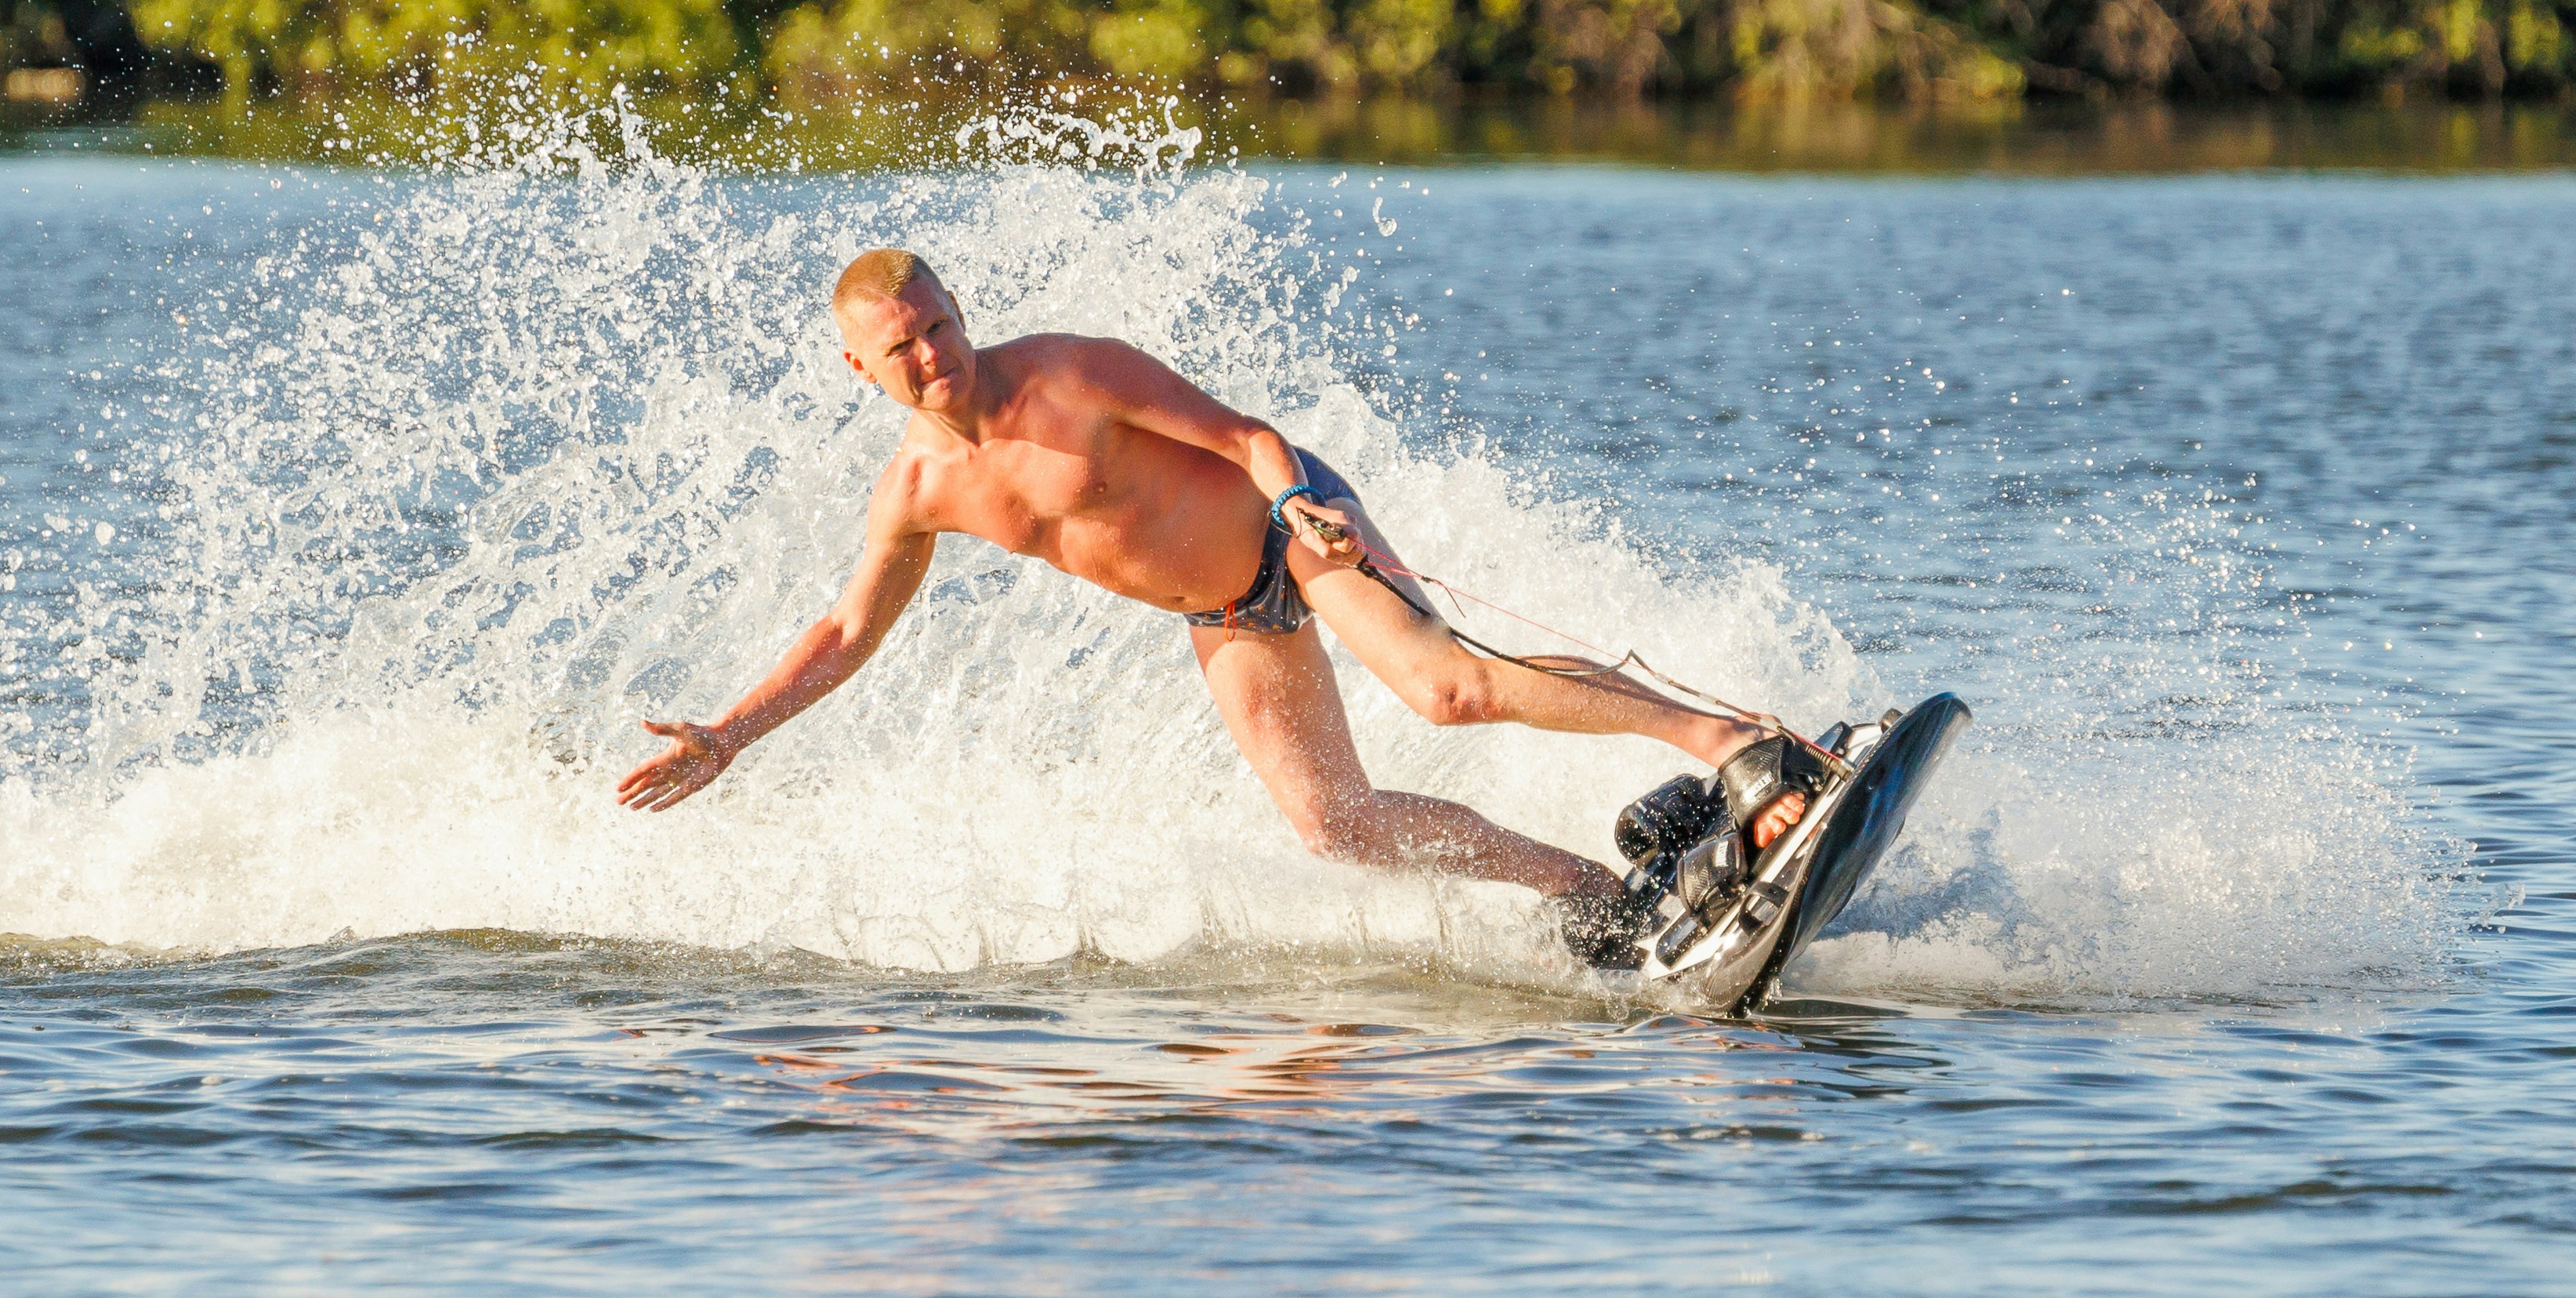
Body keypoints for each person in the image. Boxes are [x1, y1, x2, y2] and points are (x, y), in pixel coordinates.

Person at [614, 248, 1828, 955]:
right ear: (861, 371)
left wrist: (1300, 500)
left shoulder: (1069, 376)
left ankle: (1743, 749)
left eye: (941, 324)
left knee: (1445, 688)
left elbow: (1244, 434)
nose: (938, 355)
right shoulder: (917, 491)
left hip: (1288, 530)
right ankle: (1591, 897)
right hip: (1226, 616)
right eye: (908, 349)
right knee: (1335, 825)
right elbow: (843, 634)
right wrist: (728, 734)